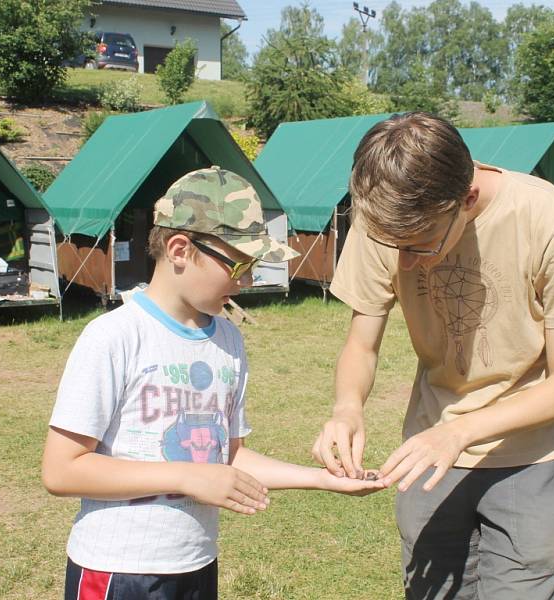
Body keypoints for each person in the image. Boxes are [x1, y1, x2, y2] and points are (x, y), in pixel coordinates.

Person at [42, 167, 383, 600]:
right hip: (118, 570)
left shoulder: (228, 341)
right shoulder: (114, 337)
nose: (246, 281)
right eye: (239, 264)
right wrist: (190, 477)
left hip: (196, 564)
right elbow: (62, 469)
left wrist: (323, 480)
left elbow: (228, 456)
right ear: (180, 249)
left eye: (254, 266)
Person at [312, 112, 554, 599]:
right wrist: (347, 409)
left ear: (467, 199)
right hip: (430, 460)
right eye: (395, 247)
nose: (405, 262)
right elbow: (361, 343)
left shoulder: (548, 219)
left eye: (419, 245)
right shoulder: (385, 220)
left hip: (533, 459)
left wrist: (458, 432)